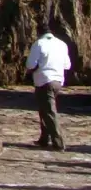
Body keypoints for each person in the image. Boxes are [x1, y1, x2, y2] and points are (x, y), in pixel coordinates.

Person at [25, 23, 72, 151]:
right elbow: (67, 65)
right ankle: (44, 138)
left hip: (44, 80)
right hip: (58, 80)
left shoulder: (39, 44)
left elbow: (30, 64)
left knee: (49, 111)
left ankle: (59, 142)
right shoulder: (62, 44)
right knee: (44, 108)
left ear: (39, 32)